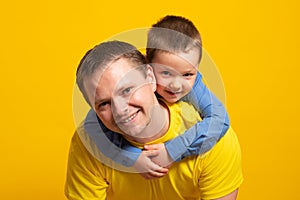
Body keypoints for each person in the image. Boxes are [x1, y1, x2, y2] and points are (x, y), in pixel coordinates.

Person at [65, 41, 243, 199]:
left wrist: (173, 150)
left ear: (150, 78)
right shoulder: (88, 143)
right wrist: (132, 158)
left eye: (126, 90)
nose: (120, 110)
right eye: (104, 103)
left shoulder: (210, 138)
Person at [79, 15, 230, 177]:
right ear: (148, 67)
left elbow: (219, 120)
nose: (176, 85)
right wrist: (132, 157)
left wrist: (172, 150)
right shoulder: (130, 79)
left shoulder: (195, 87)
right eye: (165, 73)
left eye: (188, 74)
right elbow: (91, 126)